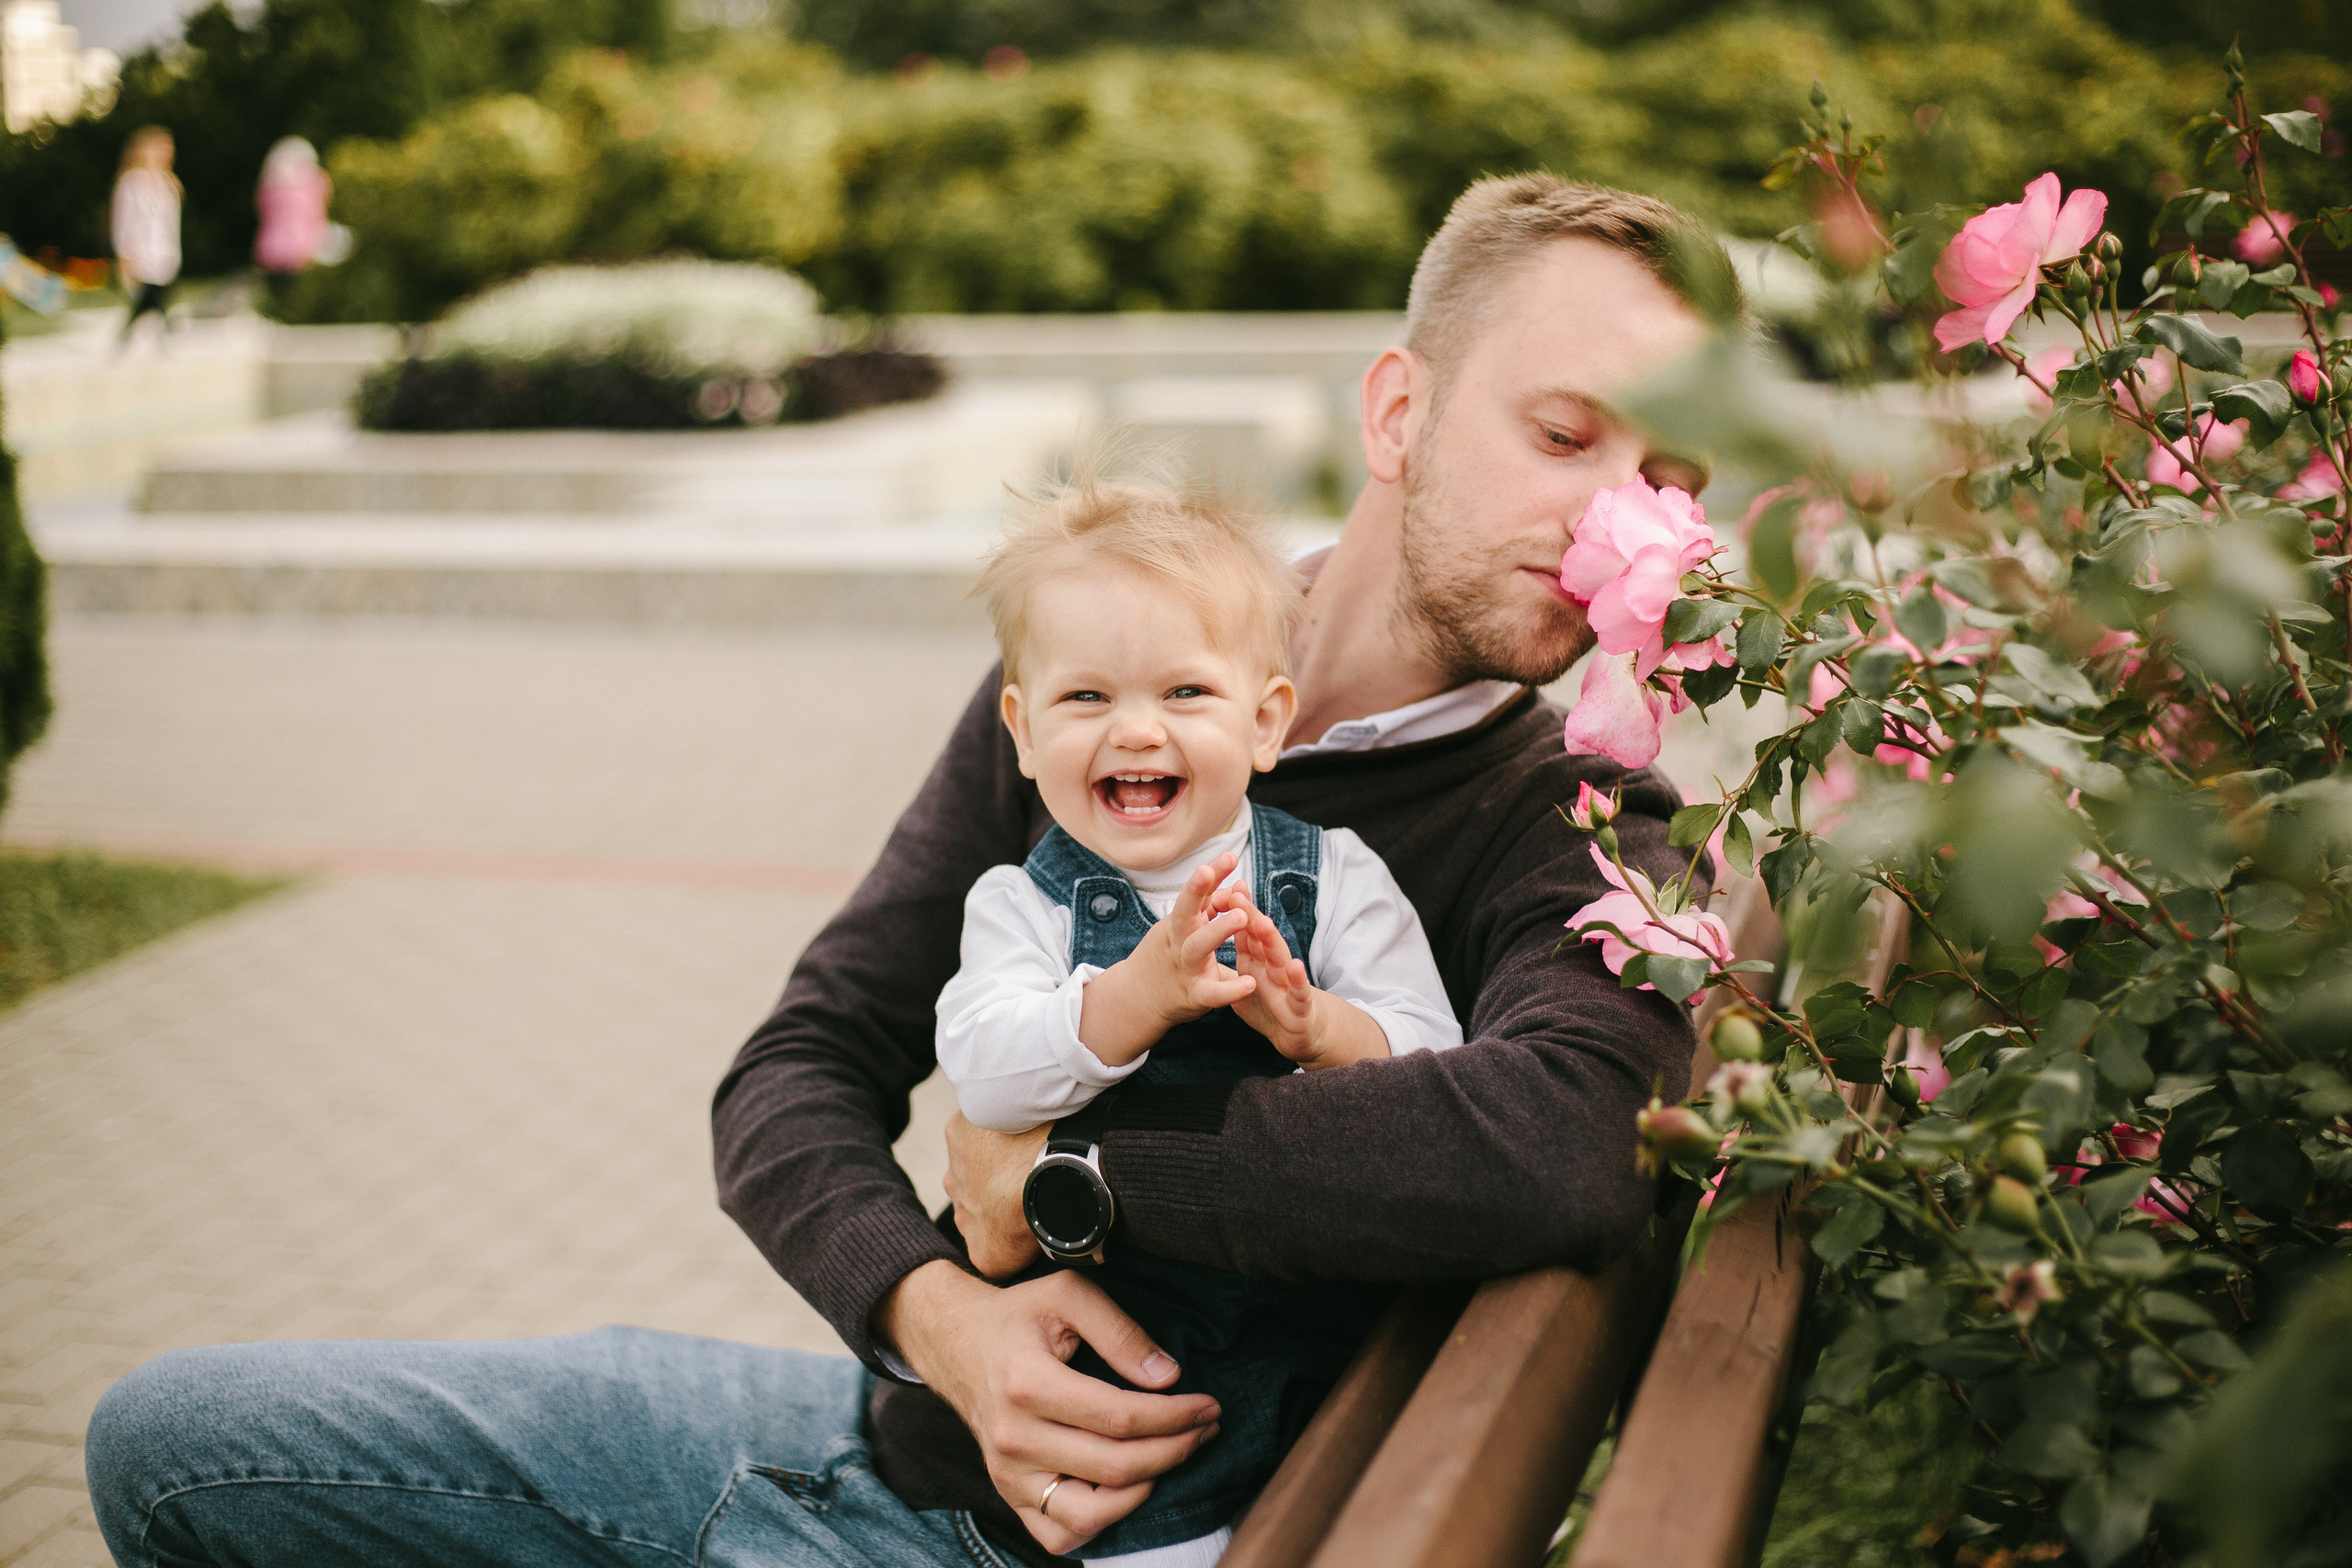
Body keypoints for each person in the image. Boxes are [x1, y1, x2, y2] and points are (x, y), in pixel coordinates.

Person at [83, 175, 1728, 1568]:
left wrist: (1071, 1172)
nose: (1611, 518)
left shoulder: (1581, 817)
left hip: (1049, 1527)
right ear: (1398, 412)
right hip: (896, 1422)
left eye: (1665, 482)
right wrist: (938, 1312)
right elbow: (799, 1069)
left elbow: (1566, 1139)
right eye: (1567, 433)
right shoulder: (1111, 674)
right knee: (173, 1434)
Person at [936, 480, 1463, 1565]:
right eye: (1086, 698)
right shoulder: (1020, 907)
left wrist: (1320, 1029)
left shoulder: (1332, 879)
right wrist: (1135, 996)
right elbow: (985, 1080)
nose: (1137, 728)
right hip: (1140, 1373)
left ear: (1264, 720)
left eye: (1184, 690)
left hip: (1326, 1332)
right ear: (1023, 732)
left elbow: (1438, 1062)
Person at [110, 126, 179, 346]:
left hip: (165, 256)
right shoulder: (131, 182)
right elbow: (124, 221)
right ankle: (162, 336)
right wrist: (125, 255)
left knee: (154, 301)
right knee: (151, 301)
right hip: (141, 254)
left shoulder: (168, 183)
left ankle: (141, 337)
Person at [253, 136, 331, 274]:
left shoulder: (270, 181)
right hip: (304, 249)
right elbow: (318, 214)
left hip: (271, 248)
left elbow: (262, 213)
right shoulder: (314, 180)